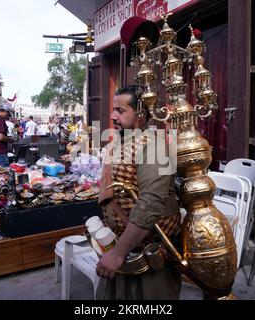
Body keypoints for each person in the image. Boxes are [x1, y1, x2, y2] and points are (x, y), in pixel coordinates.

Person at [95, 85, 182, 300]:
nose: (113, 116)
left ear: (141, 114)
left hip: (148, 256)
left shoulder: (155, 147)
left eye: (121, 111)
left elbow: (150, 204)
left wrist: (117, 253)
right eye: (114, 110)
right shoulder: (123, 142)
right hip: (125, 249)